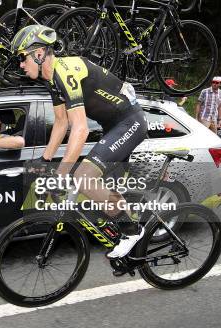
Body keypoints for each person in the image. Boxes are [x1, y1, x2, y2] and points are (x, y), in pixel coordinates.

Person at [11, 24, 148, 259]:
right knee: (98, 191)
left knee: (82, 177)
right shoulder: (52, 80)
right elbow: (61, 123)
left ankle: (132, 230)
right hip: (113, 126)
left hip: (129, 122)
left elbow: (81, 128)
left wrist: (62, 170)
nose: (21, 65)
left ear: (40, 53)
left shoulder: (64, 71)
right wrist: (44, 160)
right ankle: (129, 246)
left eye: (23, 58)